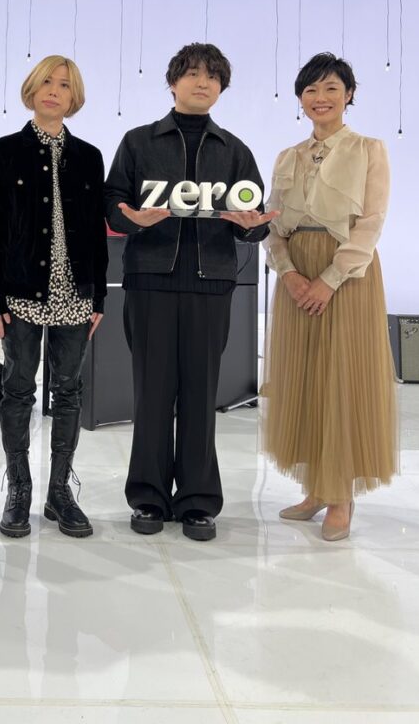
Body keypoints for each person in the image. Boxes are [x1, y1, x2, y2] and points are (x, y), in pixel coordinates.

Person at [105, 43, 275, 541]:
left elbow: (254, 219)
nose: (203, 83)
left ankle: (199, 501)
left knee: (202, 395)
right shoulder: (138, 142)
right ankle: (148, 497)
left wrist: (252, 225)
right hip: (150, 281)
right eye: (193, 74)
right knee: (152, 393)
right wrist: (130, 218)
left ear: (222, 88)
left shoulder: (234, 150)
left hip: (211, 283)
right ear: (173, 81)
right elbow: (113, 202)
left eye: (213, 77)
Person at [262, 53, 398, 541]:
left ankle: (341, 496)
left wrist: (330, 279)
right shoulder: (287, 156)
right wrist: (289, 273)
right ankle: (316, 487)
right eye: (311, 90)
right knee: (305, 379)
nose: (320, 98)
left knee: (343, 378)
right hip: (296, 274)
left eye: (331, 89)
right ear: (300, 99)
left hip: (348, 274)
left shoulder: (368, 149)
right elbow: (272, 223)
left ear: (349, 95)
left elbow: (371, 223)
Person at [0, 56, 107, 538]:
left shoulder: (89, 156)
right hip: (20, 291)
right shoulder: (4, 152)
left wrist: (98, 297)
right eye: (47, 82)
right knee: (18, 388)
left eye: (65, 85)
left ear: (75, 97)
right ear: (32, 90)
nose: (54, 90)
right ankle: (19, 488)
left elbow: (95, 232)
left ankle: (59, 491)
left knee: (68, 391)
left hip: (75, 292)